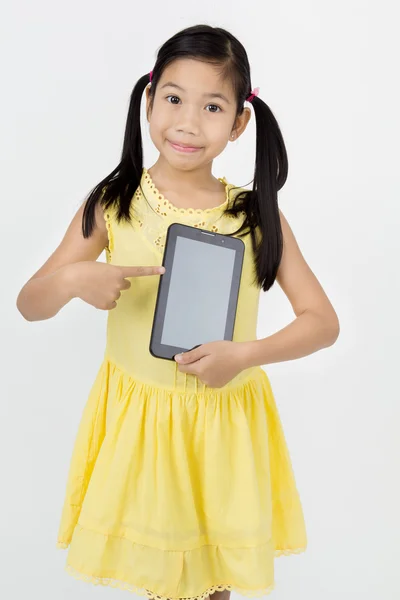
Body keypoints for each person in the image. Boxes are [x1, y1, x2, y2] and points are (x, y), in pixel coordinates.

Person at [16, 23, 340, 600]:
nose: (188, 122)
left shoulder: (255, 214)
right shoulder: (115, 204)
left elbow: (322, 321)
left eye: (212, 106)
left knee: (213, 585)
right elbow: (29, 304)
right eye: (173, 99)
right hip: (144, 428)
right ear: (148, 102)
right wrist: (71, 279)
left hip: (224, 430)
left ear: (239, 121)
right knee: (166, 585)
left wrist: (246, 355)